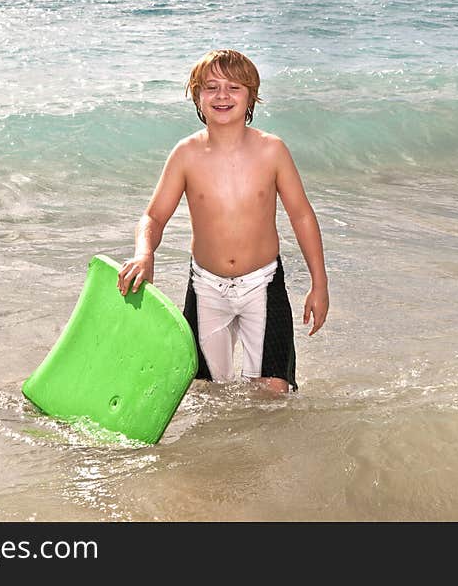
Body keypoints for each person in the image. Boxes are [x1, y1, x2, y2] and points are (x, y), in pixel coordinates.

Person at [116, 49, 328, 393]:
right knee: (207, 394)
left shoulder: (272, 151)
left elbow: (302, 215)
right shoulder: (186, 154)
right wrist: (144, 253)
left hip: (263, 284)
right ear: (197, 97)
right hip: (206, 287)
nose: (222, 96)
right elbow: (153, 216)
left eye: (234, 87)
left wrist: (320, 284)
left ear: (251, 96)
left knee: (274, 391)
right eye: (211, 87)